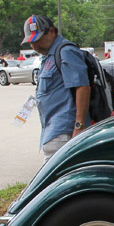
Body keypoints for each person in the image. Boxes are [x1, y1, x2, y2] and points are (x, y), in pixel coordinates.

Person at [23, 14, 90, 161]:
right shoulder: (49, 56)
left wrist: (79, 125)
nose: (34, 46)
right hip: (53, 131)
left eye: (37, 39)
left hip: (64, 132)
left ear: (51, 32)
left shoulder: (66, 52)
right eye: (31, 42)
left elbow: (82, 87)